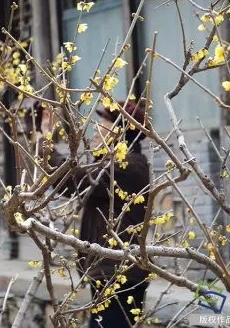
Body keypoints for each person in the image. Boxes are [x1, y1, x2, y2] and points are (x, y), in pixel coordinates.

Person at [42, 100, 150, 328]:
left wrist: (46, 144)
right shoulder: (114, 166)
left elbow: (72, 179)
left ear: (121, 133)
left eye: (103, 125)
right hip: (109, 273)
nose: (96, 130)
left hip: (120, 276)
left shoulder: (128, 168)